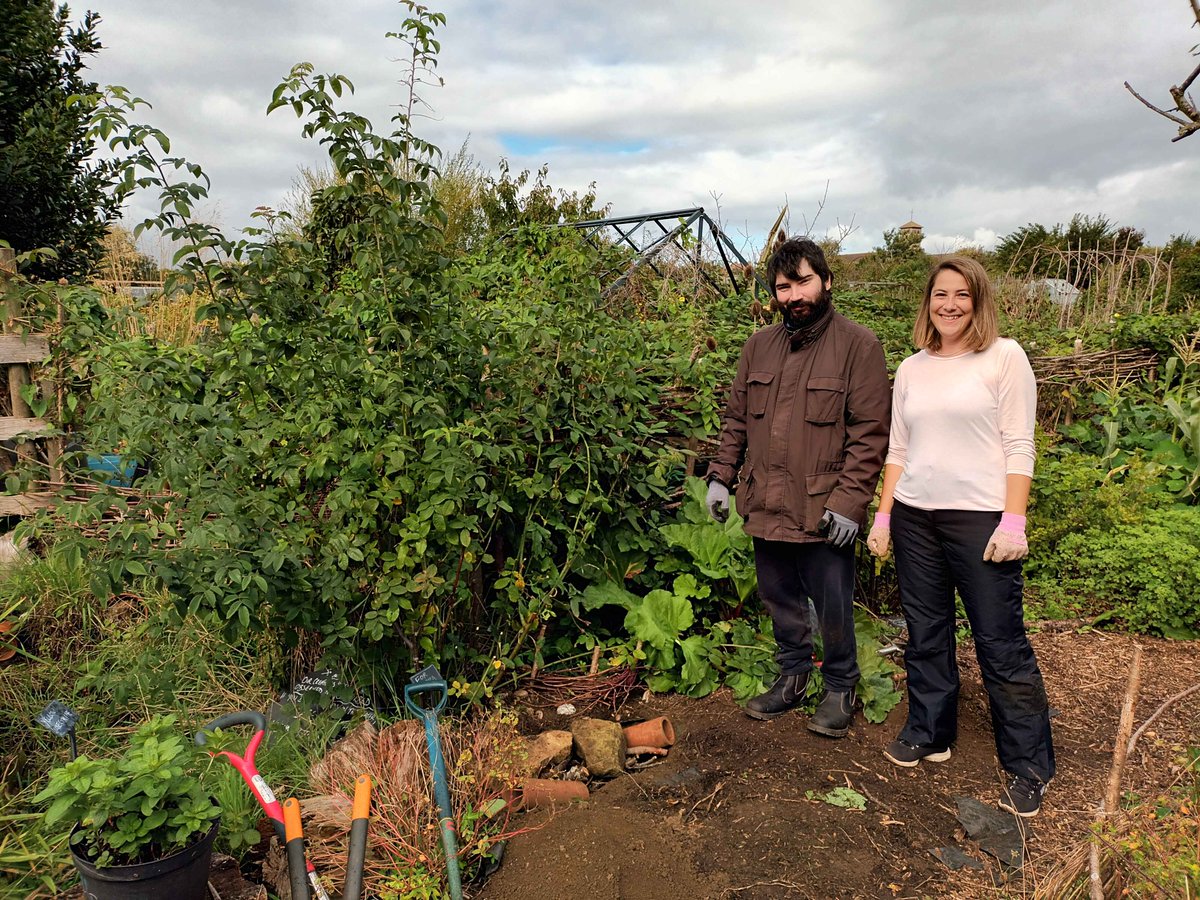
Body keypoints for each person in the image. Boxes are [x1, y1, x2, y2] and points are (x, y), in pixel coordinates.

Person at [866, 255, 1055, 817]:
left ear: (979, 301)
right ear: (928, 302)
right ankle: (931, 730)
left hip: (980, 519)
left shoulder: (1003, 357)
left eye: (962, 295)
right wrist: (882, 517)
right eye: (940, 294)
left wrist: (1014, 520)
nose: (949, 305)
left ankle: (1028, 762)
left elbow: (1020, 444)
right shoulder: (912, 367)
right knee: (925, 630)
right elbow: (898, 450)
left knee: (999, 640)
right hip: (915, 517)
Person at [706, 237, 890, 737]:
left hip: (822, 510)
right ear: (773, 295)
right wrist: (721, 477)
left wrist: (850, 504)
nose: (794, 295)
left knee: (832, 602)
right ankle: (792, 677)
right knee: (778, 596)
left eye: (804, 281)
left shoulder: (858, 346)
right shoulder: (758, 347)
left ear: (827, 282)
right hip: (765, 502)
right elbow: (737, 420)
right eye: (783, 287)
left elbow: (870, 435)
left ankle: (840, 685)